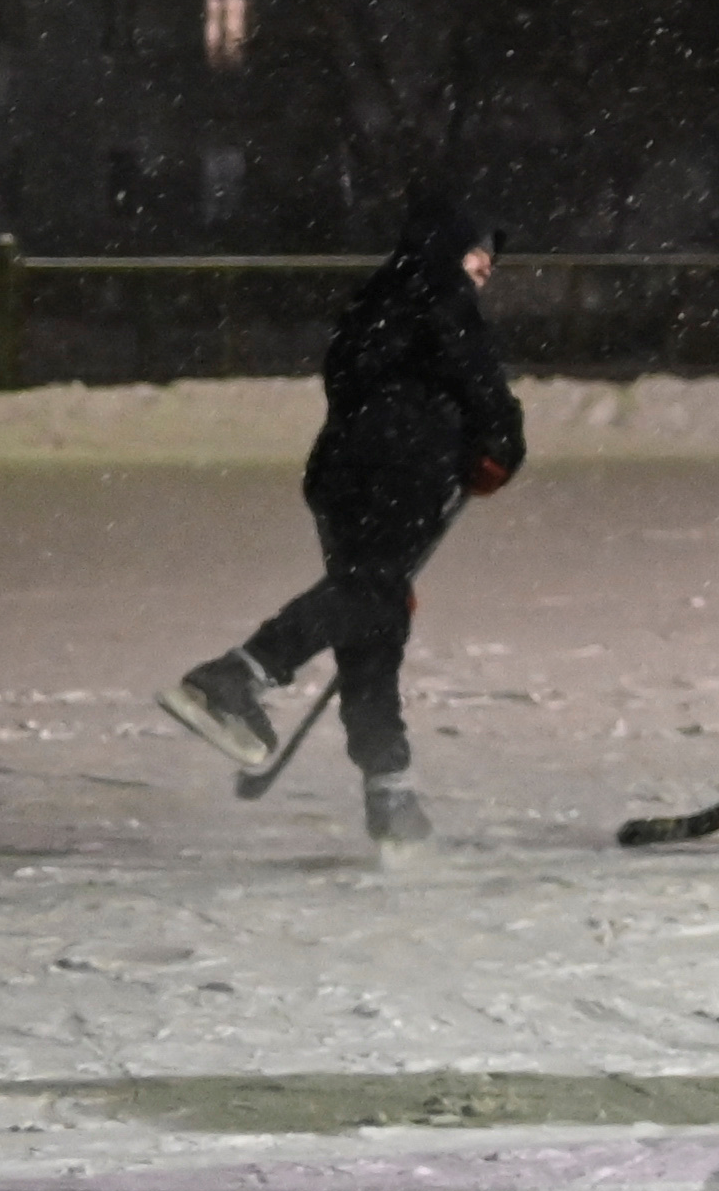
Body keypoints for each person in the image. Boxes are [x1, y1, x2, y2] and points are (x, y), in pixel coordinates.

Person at [159, 193, 525, 853]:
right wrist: (500, 442)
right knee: (369, 597)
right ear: (449, 250)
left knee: (370, 610)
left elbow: (359, 379)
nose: (483, 270)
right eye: (477, 254)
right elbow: (482, 385)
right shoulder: (441, 294)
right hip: (400, 466)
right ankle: (238, 674)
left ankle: (390, 788)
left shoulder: (374, 299)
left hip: (343, 473)